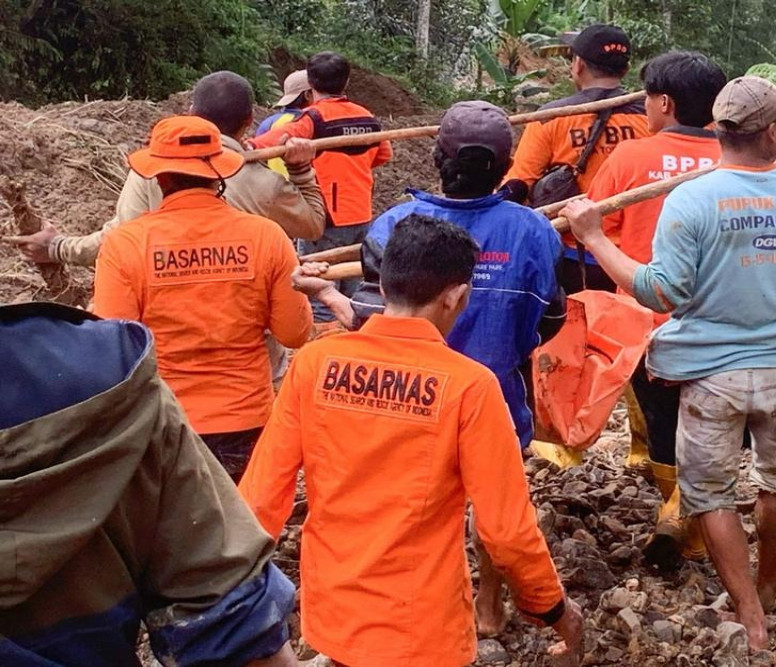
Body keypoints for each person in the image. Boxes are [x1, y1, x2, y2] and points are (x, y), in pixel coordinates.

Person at [562, 76, 776, 652]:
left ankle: (746, 608)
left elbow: (660, 293)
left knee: (709, 493)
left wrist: (593, 236)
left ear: (719, 128)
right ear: (775, 130)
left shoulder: (693, 199)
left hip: (712, 373)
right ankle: (767, 582)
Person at [238, 216, 584, 667]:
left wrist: (228, 595)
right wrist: (554, 609)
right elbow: (506, 531)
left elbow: (261, 495)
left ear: (382, 287)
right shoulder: (469, 387)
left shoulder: (315, 364)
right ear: (457, 296)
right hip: (421, 626)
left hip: (333, 613)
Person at [294, 101, 565, 637]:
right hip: (496, 393)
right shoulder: (533, 229)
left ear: (437, 158)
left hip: (405, 400)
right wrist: (512, 341)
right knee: (499, 505)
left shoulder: (395, 226)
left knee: (408, 502)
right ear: (507, 164)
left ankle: (397, 602)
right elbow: (552, 316)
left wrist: (326, 292)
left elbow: (371, 319)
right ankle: (488, 604)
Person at [0, 302, 298, 667]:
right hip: (152, 429)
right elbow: (293, 329)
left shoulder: (128, 245)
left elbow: (114, 309)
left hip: (149, 425)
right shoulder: (102, 371)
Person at [93, 115, 313, 482]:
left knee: (173, 535)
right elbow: (295, 334)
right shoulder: (267, 237)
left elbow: (115, 350)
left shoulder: (125, 244)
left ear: (157, 176)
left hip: (162, 420)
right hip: (246, 420)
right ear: (220, 173)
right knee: (237, 529)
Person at [584, 50, 727, 569]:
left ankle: (678, 516)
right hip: (723, 324)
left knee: (665, 420)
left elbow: (598, 237)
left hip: (649, 321)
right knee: (713, 422)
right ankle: (691, 513)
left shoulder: (628, 161)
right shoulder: (737, 161)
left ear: (664, 102)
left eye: (647, 96)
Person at [3, 71, 326, 267]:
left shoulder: (148, 171)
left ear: (190, 111)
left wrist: (58, 248)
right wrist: (300, 169)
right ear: (247, 123)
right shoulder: (264, 189)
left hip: (163, 349)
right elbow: (312, 227)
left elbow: (118, 242)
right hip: (246, 359)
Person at [501, 24, 651, 294]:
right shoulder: (651, 118)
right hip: (637, 260)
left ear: (578, 65)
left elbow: (519, 183)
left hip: (572, 254)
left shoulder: (549, 119)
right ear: (625, 70)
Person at [252, 51, 394, 329]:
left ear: (311, 85)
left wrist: (248, 147)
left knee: (321, 293)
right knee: (356, 293)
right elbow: (383, 154)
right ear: (347, 81)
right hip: (361, 214)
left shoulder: (314, 118)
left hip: (326, 218)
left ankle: (323, 349)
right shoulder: (366, 116)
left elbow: (279, 139)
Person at [257, 69, 313, 177]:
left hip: (276, 187)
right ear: (308, 95)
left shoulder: (268, 123)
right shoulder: (311, 121)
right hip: (306, 186)